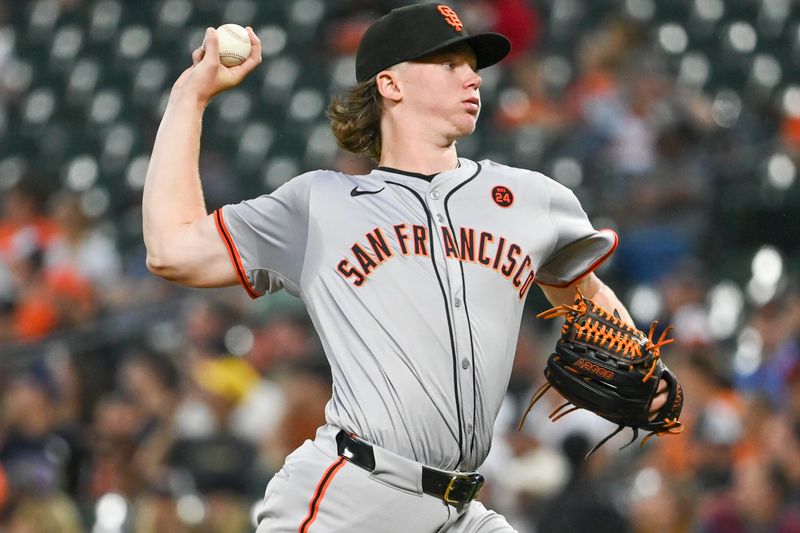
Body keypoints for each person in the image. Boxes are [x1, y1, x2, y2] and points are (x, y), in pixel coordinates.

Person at [142, 3, 669, 531]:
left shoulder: (532, 199)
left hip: (460, 510)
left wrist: (642, 362)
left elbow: (582, 290)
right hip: (351, 500)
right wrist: (191, 95)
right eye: (449, 64)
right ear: (391, 84)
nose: (473, 78)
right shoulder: (319, 203)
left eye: (473, 66)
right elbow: (171, 249)